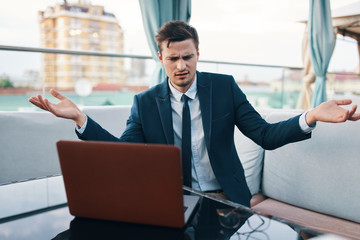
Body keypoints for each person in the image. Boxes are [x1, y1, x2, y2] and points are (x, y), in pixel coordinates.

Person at [29, 21, 360, 207]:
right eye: (173, 59)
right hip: (172, 200)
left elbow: (265, 135)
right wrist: (80, 119)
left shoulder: (225, 88)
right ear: (160, 58)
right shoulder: (144, 102)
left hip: (226, 199)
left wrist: (311, 116)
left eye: (187, 56)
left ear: (198, 53)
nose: (182, 65)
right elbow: (124, 155)